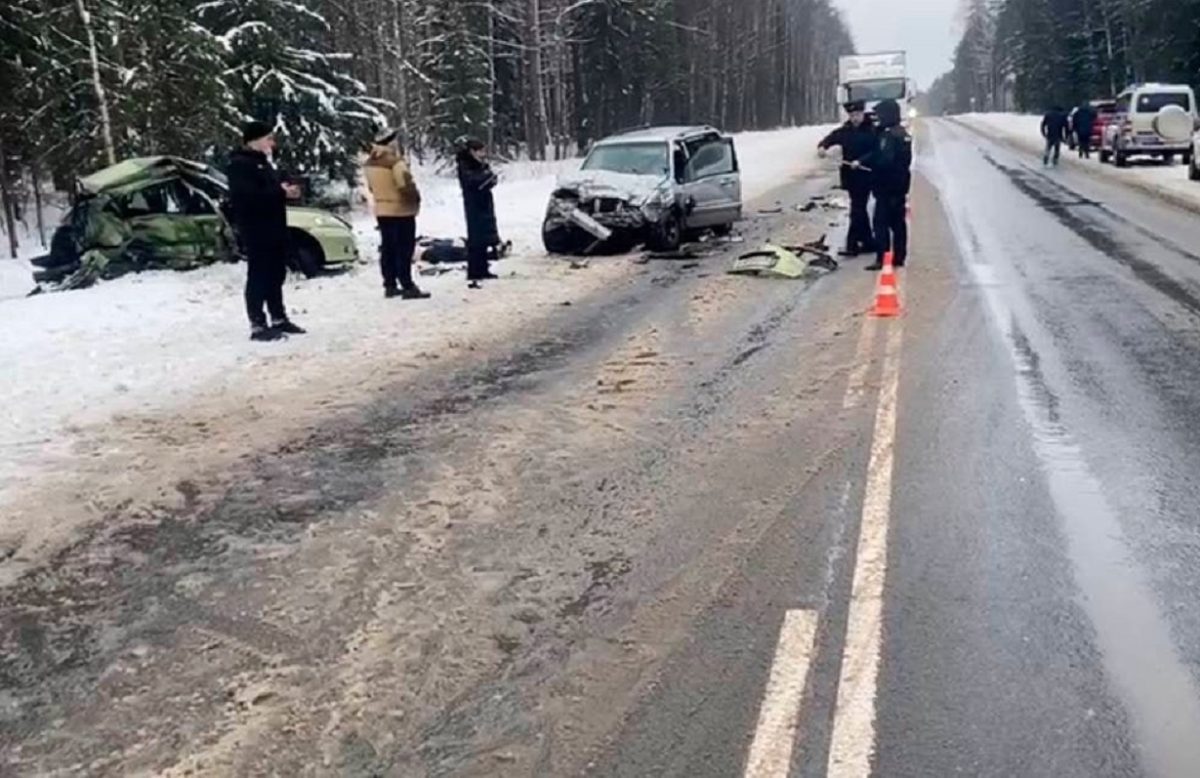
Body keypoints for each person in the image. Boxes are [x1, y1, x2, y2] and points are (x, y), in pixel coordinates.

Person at [227, 120, 306, 342]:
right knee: (259, 274)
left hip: (274, 226)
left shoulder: (264, 163)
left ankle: (278, 317)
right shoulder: (240, 165)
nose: (272, 142)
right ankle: (258, 323)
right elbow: (249, 196)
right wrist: (279, 192)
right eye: (268, 138)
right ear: (255, 140)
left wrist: (286, 189)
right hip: (256, 229)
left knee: (276, 273)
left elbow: (270, 188)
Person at [364, 128, 430, 300]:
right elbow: (404, 184)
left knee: (388, 248)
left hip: (382, 209)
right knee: (404, 248)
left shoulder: (370, 162)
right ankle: (407, 284)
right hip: (401, 210)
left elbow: (371, 187)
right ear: (391, 141)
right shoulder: (395, 162)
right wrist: (415, 199)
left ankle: (390, 284)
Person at [855, 99, 912, 271]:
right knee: (898, 224)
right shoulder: (902, 133)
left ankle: (882, 258)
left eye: (880, 114)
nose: (878, 118)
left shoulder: (888, 135)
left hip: (886, 186)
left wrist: (868, 166)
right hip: (900, 185)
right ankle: (899, 257)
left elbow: (883, 159)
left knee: (881, 223)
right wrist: (862, 160)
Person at [817, 100, 877, 257]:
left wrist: (861, 161)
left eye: (857, 114)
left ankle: (852, 245)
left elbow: (876, 151)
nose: (855, 118)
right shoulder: (846, 130)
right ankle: (869, 242)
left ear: (863, 113)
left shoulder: (872, 130)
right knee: (859, 209)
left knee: (857, 209)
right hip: (850, 176)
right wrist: (823, 146)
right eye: (852, 115)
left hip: (866, 175)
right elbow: (831, 138)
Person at [455, 138, 500, 289]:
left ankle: (483, 267)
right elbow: (472, 182)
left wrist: (490, 179)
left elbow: (488, 177)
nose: (483, 154)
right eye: (480, 151)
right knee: (476, 237)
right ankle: (474, 269)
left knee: (485, 236)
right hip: (474, 203)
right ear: (472, 151)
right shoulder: (465, 164)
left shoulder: (480, 164)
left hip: (484, 201)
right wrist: (486, 178)